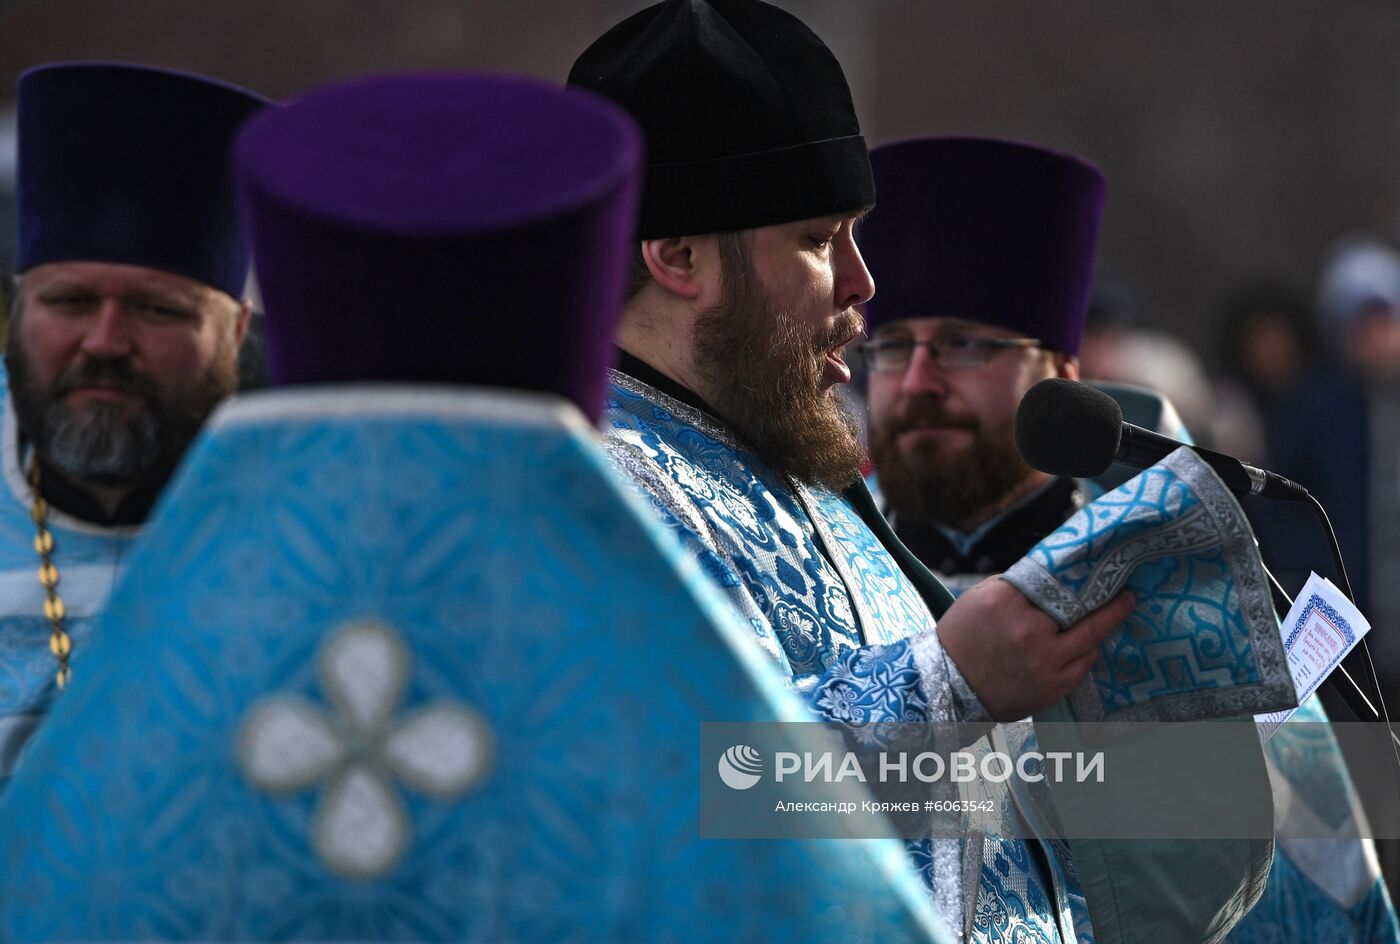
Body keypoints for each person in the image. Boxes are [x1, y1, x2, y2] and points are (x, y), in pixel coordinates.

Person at [564, 5, 1272, 941]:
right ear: (679, 255)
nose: (862, 283)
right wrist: (945, 684)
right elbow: (665, 793)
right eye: (820, 240)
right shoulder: (591, 495)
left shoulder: (796, 476)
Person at [859, 135, 1399, 944]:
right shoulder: (817, 574)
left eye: (964, 344)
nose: (917, 382)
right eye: (893, 346)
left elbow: (1308, 899)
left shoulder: (1191, 599)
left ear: (1060, 372)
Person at [0, 62, 266, 781]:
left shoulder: (314, 506)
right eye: (70, 302)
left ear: (238, 334)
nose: (106, 342)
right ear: (18, 310)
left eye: (158, 309)